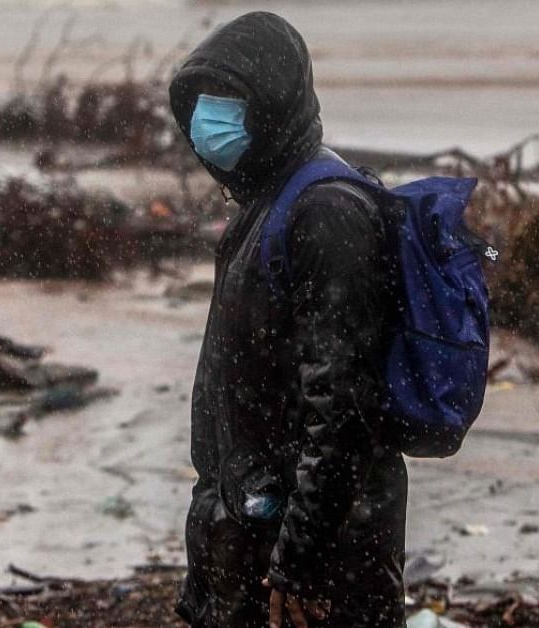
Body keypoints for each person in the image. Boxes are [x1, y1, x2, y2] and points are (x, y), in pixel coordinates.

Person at [168, 12, 406, 628]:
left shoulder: (326, 211)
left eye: (227, 104)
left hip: (314, 564)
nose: (207, 123)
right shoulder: (266, 199)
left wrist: (301, 558)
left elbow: (343, 409)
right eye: (199, 104)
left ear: (273, 105)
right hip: (250, 532)